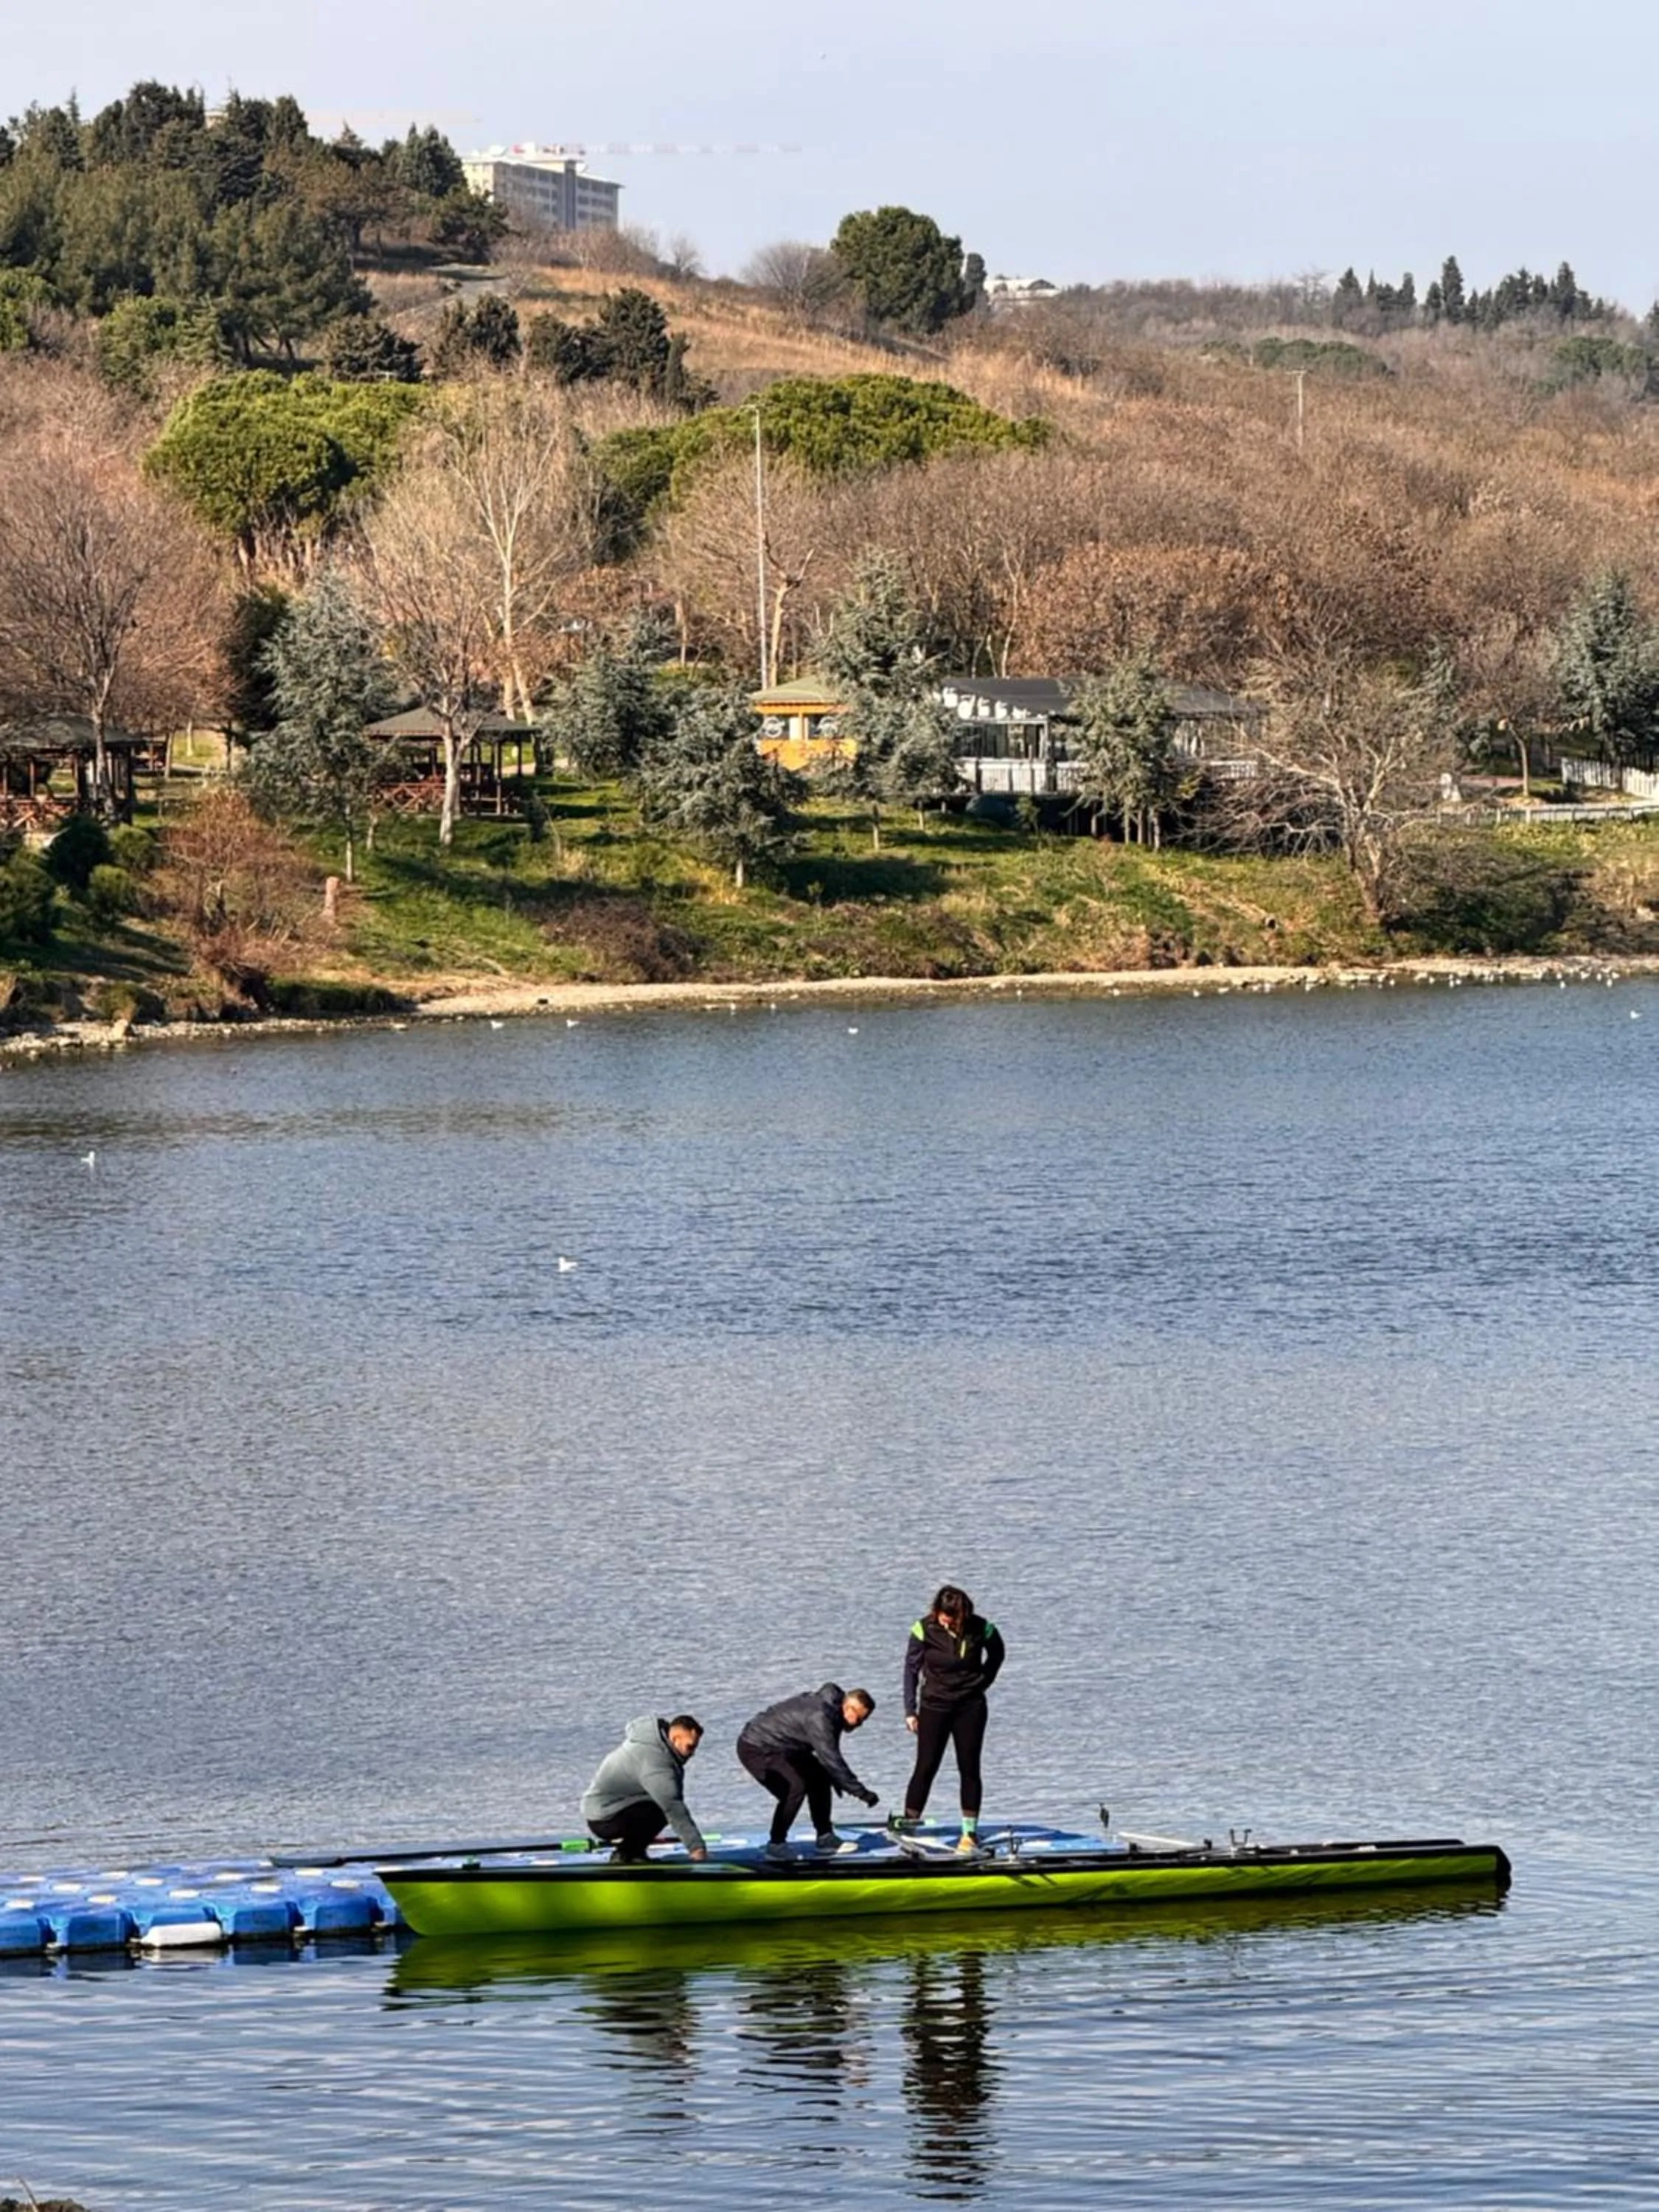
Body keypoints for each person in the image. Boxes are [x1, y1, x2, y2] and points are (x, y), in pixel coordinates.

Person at [896, 1585, 1005, 1853]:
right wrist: (910, 1710)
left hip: (971, 1706)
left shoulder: (982, 1628)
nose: (944, 1620)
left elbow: (998, 1653)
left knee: (969, 1768)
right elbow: (910, 1671)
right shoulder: (923, 1629)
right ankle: (909, 1827)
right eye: (941, 1614)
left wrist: (982, 1682)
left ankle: (969, 1833)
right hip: (934, 1705)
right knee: (926, 1766)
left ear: (961, 1614)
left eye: (950, 1616)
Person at [737, 1681, 880, 1860]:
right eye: (859, 1719)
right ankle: (776, 1845)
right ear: (849, 1709)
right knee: (794, 1787)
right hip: (756, 1747)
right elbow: (832, 1760)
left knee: (819, 1776)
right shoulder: (821, 1717)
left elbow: (829, 1759)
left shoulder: (833, 1711)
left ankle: (825, 1838)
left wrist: (837, 1778)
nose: (860, 1725)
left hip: (785, 1747)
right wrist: (862, 1793)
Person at [581, 1713, 709, 1863]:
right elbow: (673, 1807)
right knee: (663, 1809)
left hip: (611, 1808)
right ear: (675, 1739)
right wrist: (696, 1849)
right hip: (604, 1818)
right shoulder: (655, 1761)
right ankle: (625, 1855)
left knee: (658, 1806)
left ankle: (634, 1853)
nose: (693, 1754)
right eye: (690, 1747)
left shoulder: (655, 1747)